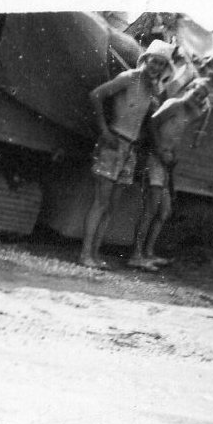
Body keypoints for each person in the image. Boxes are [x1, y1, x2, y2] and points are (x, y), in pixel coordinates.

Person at [79, 40, 174, 269]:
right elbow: (96, 95)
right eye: (154, 61)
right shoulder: (128, 78)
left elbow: (148, 121)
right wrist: (104, 130)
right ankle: (85, 255)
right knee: (101, 203)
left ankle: (95, 255)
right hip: (114, 143)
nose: (156, 67)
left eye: (161, 64)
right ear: (146, 60)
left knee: (111, 206)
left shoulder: (151, 89)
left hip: (129, 150)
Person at [129, 79, 209, 271]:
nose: (197, 99)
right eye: (195, 93)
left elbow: (203, 114)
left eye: (201, 97)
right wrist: (158, 150)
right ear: (188, 89)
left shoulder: (190, 112)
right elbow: (152, 124)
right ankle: (135, 255)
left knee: (164, 212)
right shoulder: (174, 105)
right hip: (155, 159)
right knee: (150, 209)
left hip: (166, 164)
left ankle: (148, 252)